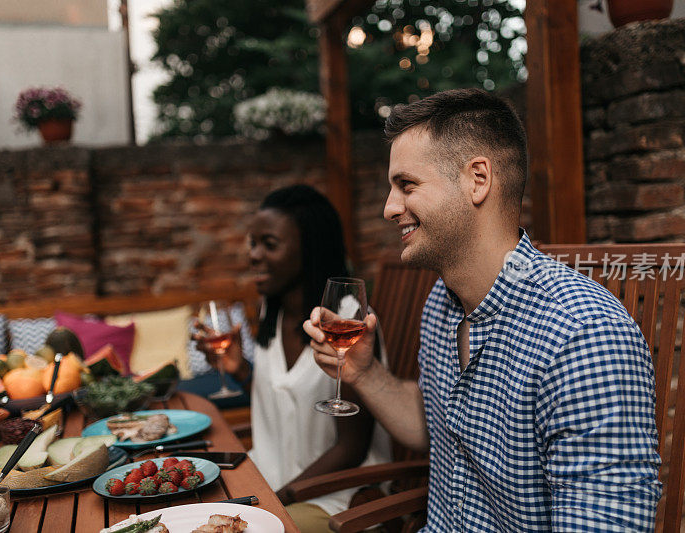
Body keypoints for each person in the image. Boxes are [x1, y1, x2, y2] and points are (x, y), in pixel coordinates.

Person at [304, 89, 661, 531]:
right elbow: (434, 429)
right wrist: (363, 373)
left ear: (478, 179)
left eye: (407, 185)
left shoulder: (582, 335)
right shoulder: (442, 302)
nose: (389, 208)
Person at [196, 184, 390, 532]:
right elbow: (286, 400)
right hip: (272, 483)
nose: (254, 255)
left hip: (335, 500)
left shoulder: (348, 321)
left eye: (269, 244)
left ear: (310, 249)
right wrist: (238, 369)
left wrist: (275, 496)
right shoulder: (275, 310)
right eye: (253, 243)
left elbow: (352, 448)